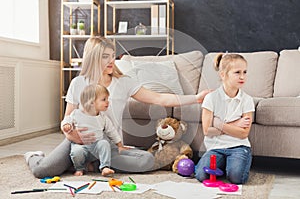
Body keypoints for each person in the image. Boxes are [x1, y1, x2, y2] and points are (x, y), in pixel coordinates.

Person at [25, 36, 210, 178]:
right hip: (78, 143)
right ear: (93, 58)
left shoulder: (123, 82)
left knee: (146, 160)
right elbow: (66, 119)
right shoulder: (78, 82)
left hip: (109, 147)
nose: (111, 61)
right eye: (105, 57)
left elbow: (160, 98)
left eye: (112, 56)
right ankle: (35, 155)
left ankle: (91, 164)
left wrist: (196, 98)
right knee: (43, 170)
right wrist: (71, 135)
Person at [194, 53, 254, 184]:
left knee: (236, 178)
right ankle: (223, 165)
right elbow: (207, 131)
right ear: (223, 75)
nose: (242, 76)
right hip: (216, 148)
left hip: (239, 146)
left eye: (245, 72)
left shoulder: (247, 100)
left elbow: (243, 133)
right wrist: (235, 124)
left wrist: (219, 124)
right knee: (201, 176)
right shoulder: (211, 98)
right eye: (237, 72)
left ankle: (231, 165)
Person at [62, 84, 127, 176]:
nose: (107, 102)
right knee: (76, 152)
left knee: (104, 143)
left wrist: (120, 145)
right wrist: (66, 125)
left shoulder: (103, 117)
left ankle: (105, 167)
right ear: (92, 102)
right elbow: (67, 119)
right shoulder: (77, 113)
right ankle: (80, 168)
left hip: (96, 146)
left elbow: (111, 131)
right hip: (80, 145)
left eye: (107, 99)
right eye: (104, 99)